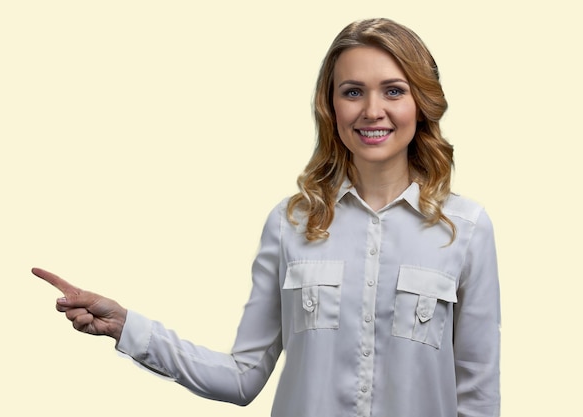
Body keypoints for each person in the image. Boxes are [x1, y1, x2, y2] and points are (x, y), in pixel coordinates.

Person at [34, 17, 501, 417]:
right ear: (331, 106)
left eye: (393, 91)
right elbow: (243, 377)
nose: (372, 110)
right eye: (353, 91)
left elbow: (477, 397)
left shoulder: (466, 229)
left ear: (420, 103)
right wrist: (126, 326)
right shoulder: (292, 222)